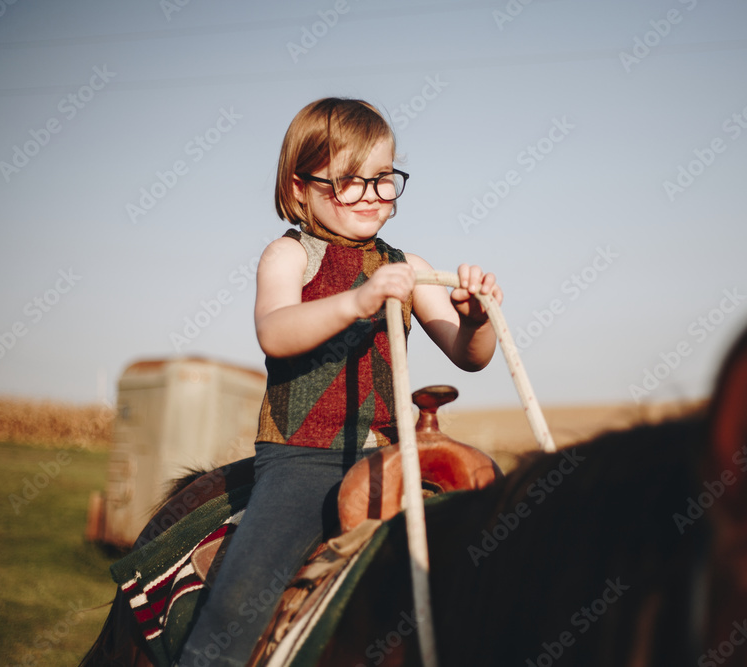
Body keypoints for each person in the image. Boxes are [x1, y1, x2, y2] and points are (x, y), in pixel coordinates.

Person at [175, 97, 503, 666]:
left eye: (384, 179)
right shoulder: (289, 256)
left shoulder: (407, 264)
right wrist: (357, 300)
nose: (372, 196)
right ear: (300, 187)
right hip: (306, 458)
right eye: (349, 181)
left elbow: (469, 356)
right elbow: (275, 332)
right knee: (242, 601)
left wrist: (477, 318)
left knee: (492, 536)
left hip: (391, 452)